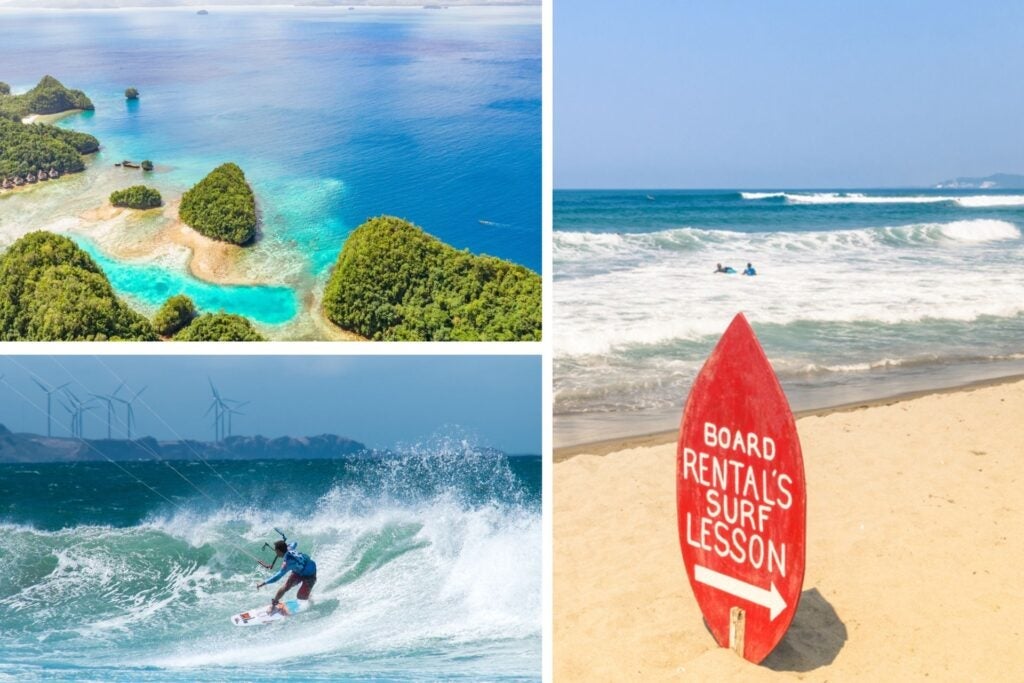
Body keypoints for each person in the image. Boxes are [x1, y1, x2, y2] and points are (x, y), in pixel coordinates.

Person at [257, 539, 317, 612]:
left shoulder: (288, 563)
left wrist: (264, 583)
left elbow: (277, 577)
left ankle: (309, 596)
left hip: (310, 575)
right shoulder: (289, 548)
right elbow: (295, 542)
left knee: (300, 596)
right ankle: (273, 605)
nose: (275, 552)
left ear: (279, 551)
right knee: (285, 587)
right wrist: (286, 545)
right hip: (298, 572)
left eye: (276, 550)